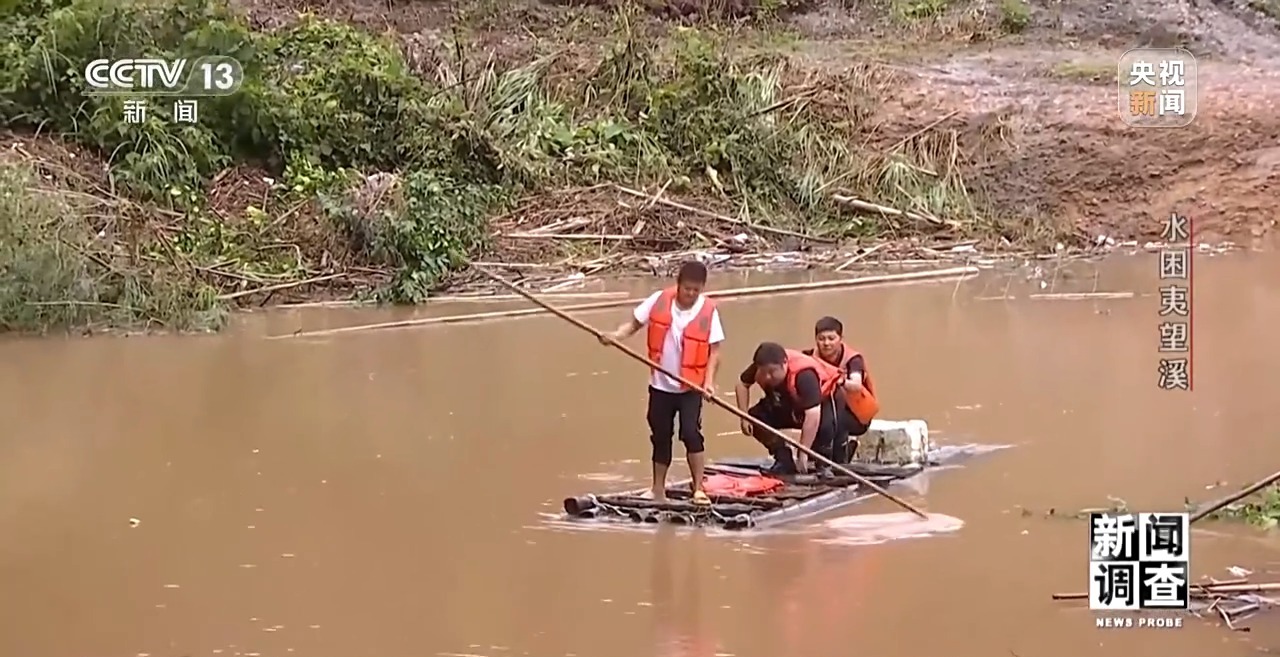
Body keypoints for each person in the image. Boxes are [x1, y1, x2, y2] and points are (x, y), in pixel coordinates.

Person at [601, 261, 725, 504]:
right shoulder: (659, 300)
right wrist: (615, 336)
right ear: (678, 284)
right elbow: (634, 324)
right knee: (660, 435)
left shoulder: (709, 311)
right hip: (660, 385)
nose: (690, 294)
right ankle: (658, 489)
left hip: (691, 387)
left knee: (690, 433)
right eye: (687, 289)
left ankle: (698, 488)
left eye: (695, 290)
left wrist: (709, 383)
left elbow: (715, 351)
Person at [733, 341, 849, 474]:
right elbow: (742, 385)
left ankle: (823, 464)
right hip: (788, 405)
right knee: (755, 419)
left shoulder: (804, 375)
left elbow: (813, 415)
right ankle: (783, 459)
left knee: (825, 427)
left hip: (823, 406)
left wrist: (803, 452)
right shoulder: (762, 365)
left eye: (772, 372)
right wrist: (744, 417)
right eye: (764, 372)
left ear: (784, 363)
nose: (767, 377)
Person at [802, 316, 880, 460]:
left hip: (854, 415)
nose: (826, 343)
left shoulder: (853, 360)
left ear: (840, 338)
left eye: (831, 338)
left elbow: (856, 385)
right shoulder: (807, 358)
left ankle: (840, 455)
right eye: (821, 339)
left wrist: (838, 379)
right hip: (823, 414)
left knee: (836, 410)